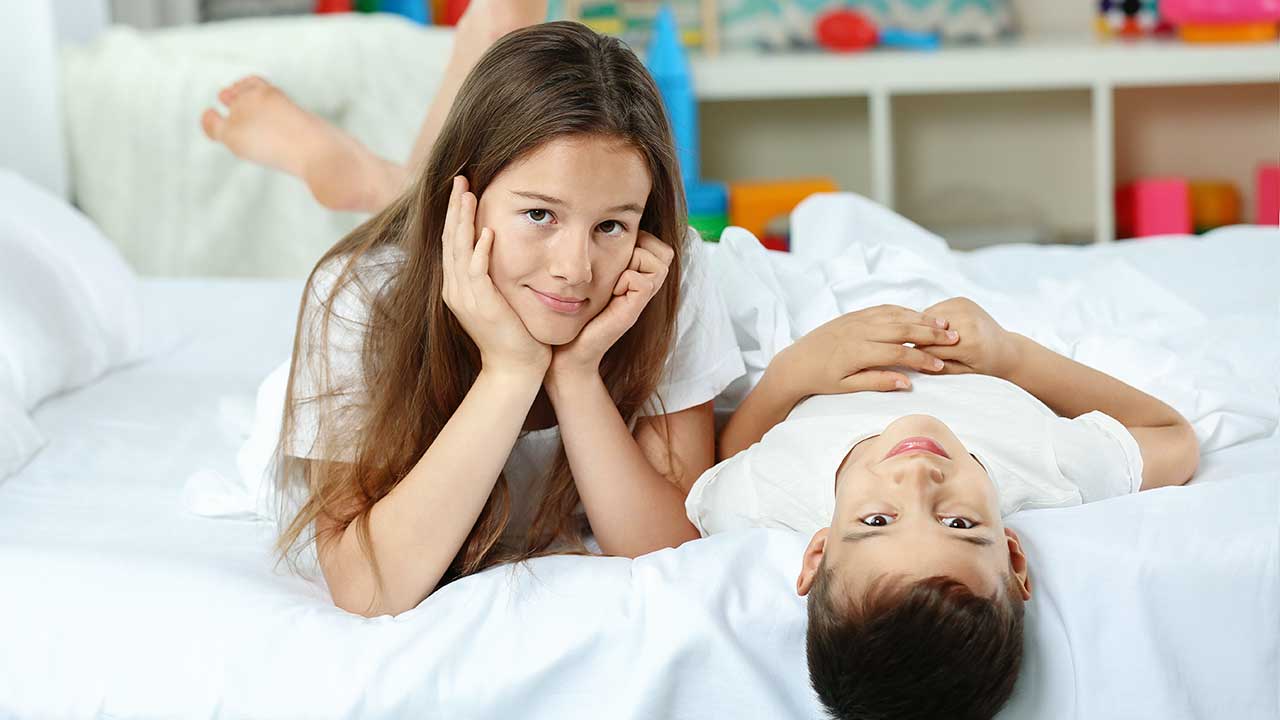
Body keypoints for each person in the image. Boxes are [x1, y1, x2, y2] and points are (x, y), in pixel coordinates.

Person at [687, 297, 1199, 720]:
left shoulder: (764, 496)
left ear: (817, 554)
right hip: (966, 326)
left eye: (877, 521)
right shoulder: (1053, 467)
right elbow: (1173, 438)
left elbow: (723, 460)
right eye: (958, 523)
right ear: (1014, 558)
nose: (917, 478)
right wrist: (1015, 358)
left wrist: (789, 373)